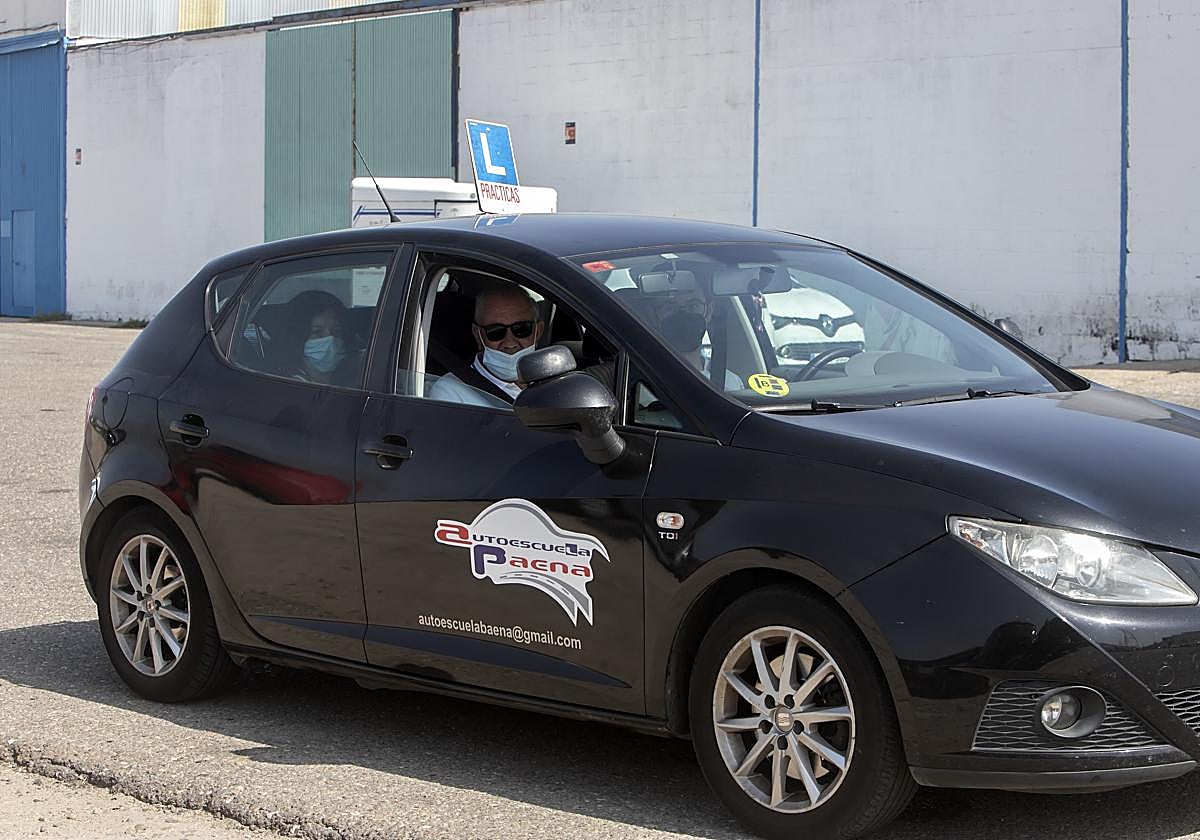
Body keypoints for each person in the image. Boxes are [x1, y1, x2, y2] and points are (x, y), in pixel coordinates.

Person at [428, 284, 545, 407]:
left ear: (539, 331)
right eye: (495, 332)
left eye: (522, 329)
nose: (510, 343)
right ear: (478, 335)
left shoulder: (552, 380)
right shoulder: (450, 392)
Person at [647, 277, 744, 390]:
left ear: (709, 312)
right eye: (670, 307)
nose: (683, 314)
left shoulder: (731, 383)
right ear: (653, 316)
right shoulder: (640, 381)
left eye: (693, 306)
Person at [284, 290, 353, 385]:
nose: (330, 339)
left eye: (337, 331)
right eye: (316, 332)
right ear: (296, 338)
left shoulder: (357, 379)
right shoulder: (290, 385)